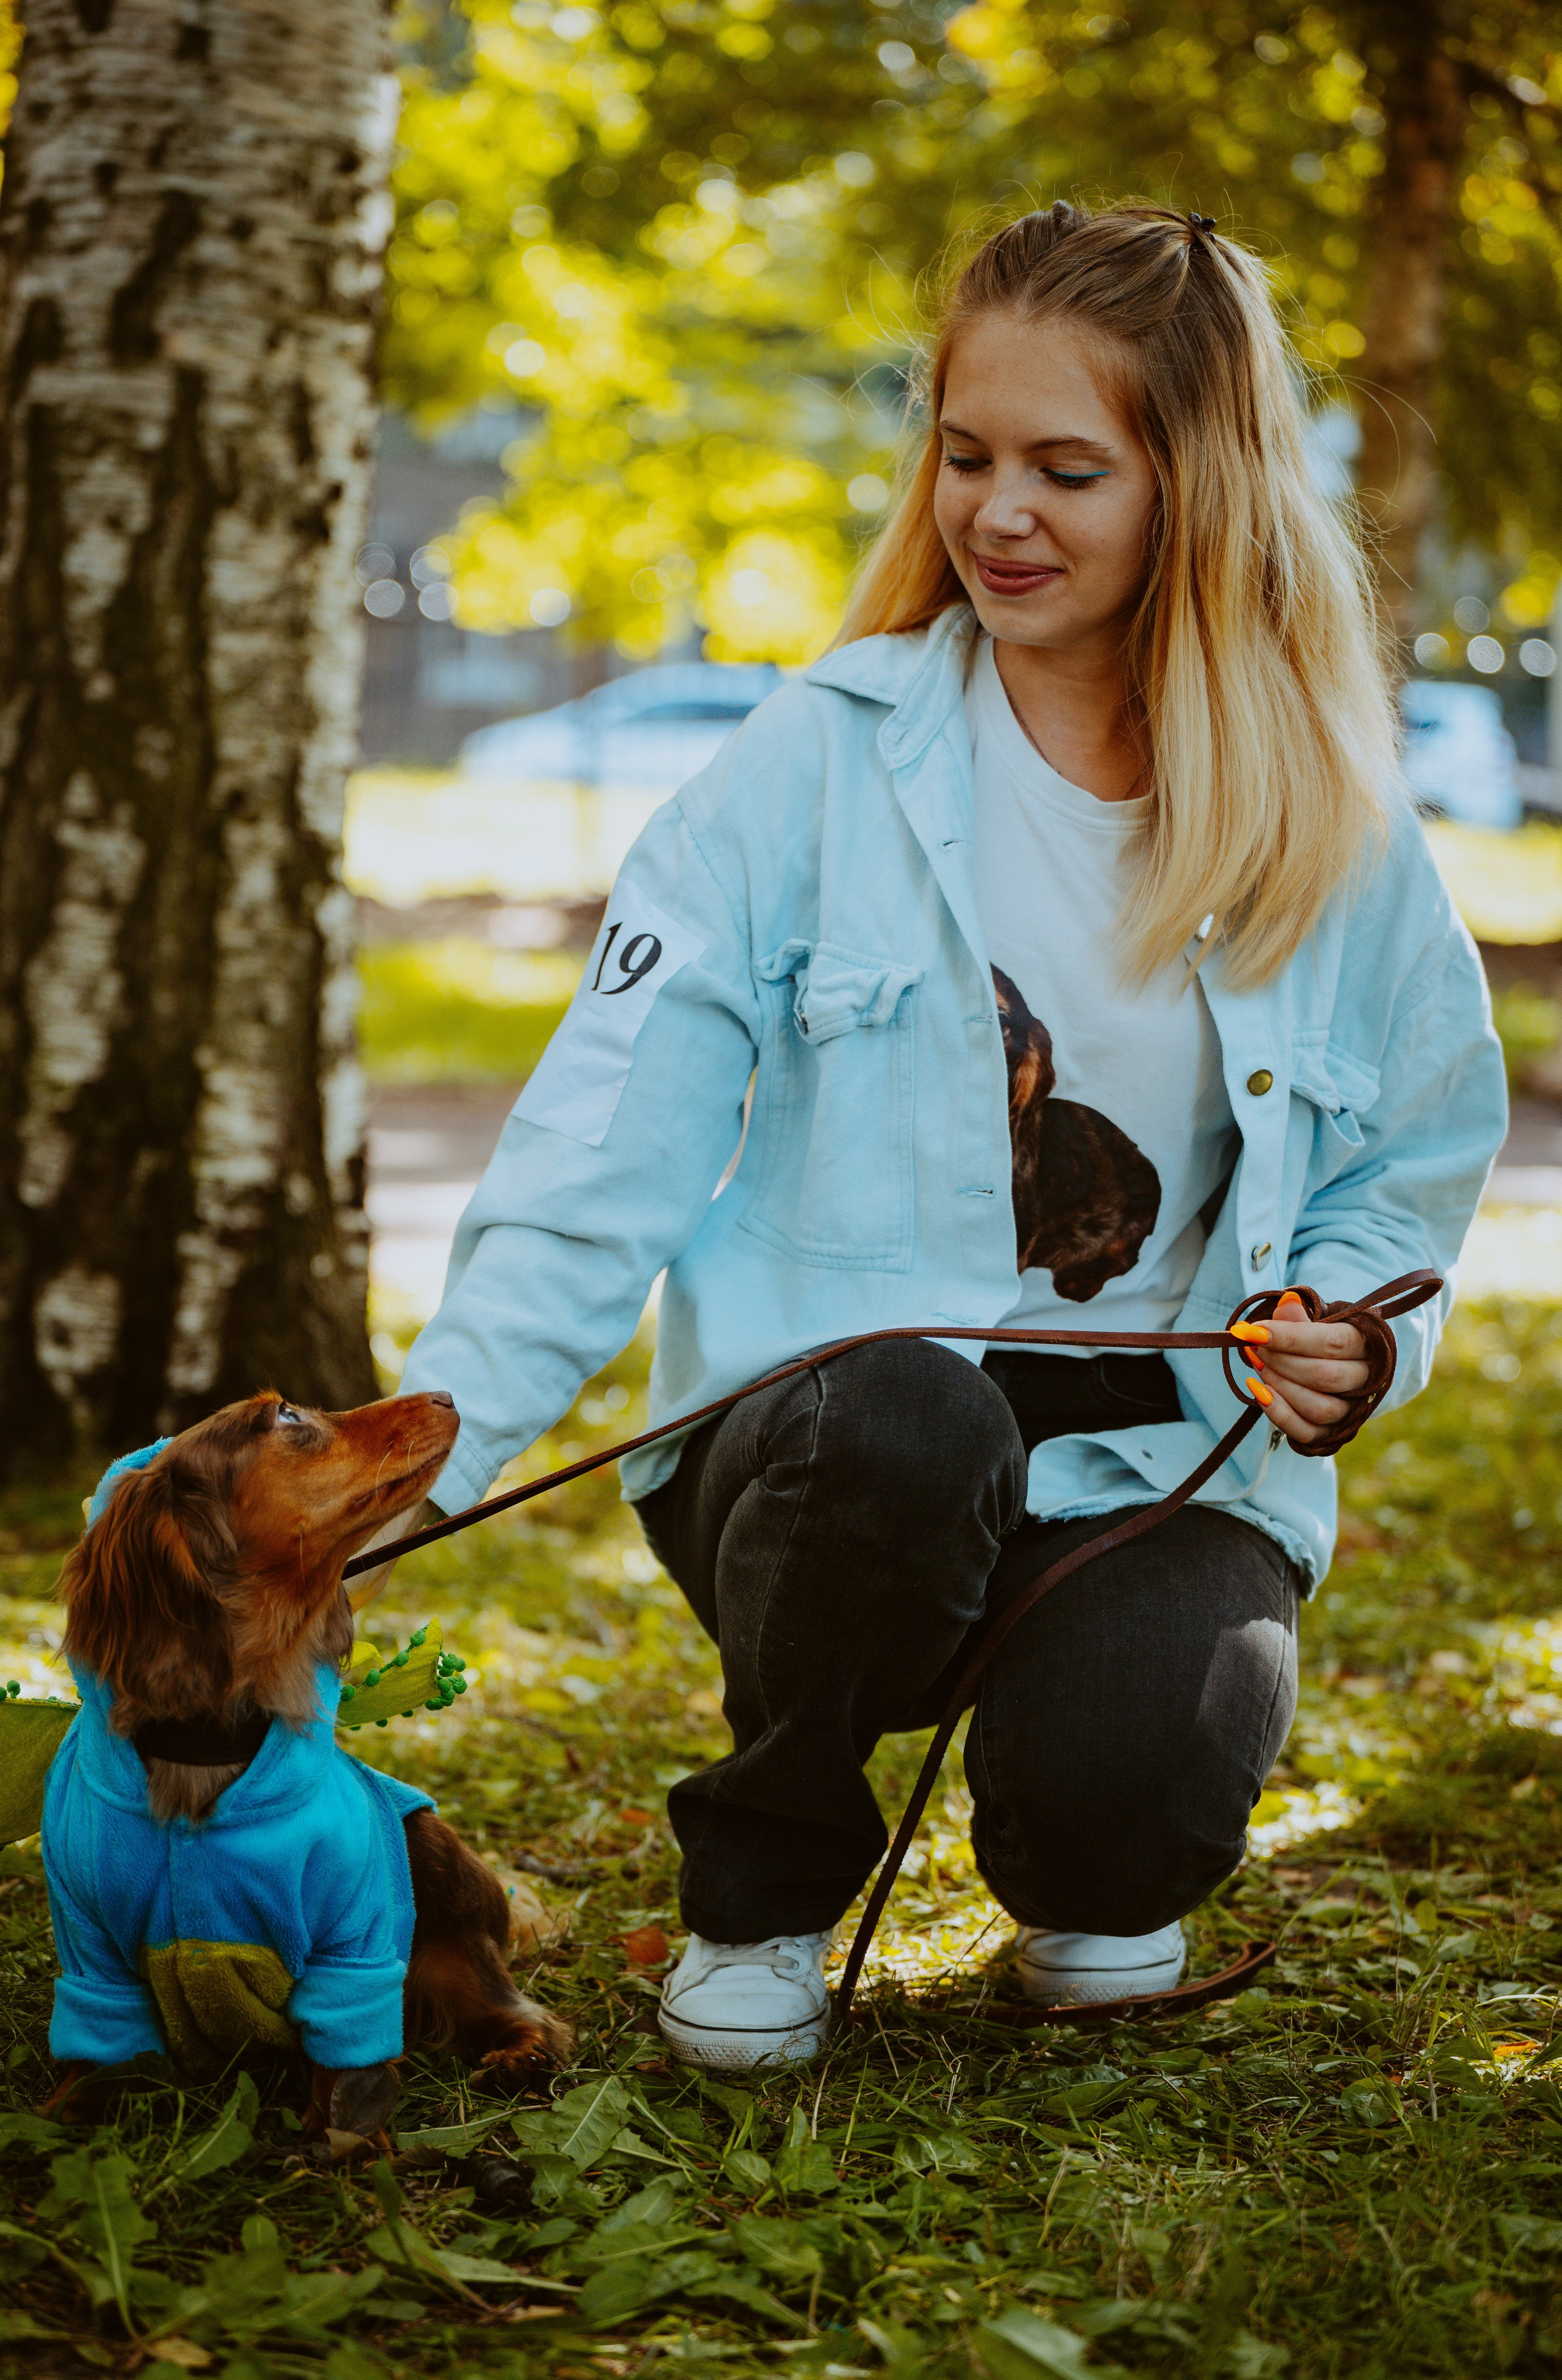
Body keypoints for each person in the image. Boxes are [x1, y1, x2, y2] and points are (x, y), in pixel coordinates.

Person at [399, 201, 1506, 2070]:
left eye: (1067, 470)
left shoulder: (1330, 819)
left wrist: (1357, 1329)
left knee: (1129, 1831)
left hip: (1152, 1460)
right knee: (908, 1412)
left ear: (1197, 488)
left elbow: (1411, 1151)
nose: (997, 513)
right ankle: (761, 1898)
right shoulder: (811, 762)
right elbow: (605, 1139)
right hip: (828, 1446)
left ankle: (1089, 1853)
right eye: (966, 454)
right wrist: (437, 1449)